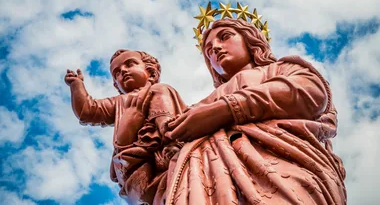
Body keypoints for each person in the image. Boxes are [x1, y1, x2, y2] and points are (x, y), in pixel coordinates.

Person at [164, 18, 347, 205]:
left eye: (225, 37)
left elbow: (310, 93)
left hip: (286, 171)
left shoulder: (283, 69)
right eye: (209, 50)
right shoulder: (200, 106)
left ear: (250, 39)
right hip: (208, 185)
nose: (216, 49)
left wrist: (226, 110)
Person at [65, 49, 186, 204]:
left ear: (151, 71)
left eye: (129, 64)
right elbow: (87, 111)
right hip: (133, 157)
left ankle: (169, 134)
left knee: (161, 88)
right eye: (117, 73)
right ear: (116, 84)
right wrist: (76, 85)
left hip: (165, 146)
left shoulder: (160, 89)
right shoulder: (119, 101)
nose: (122, 71)